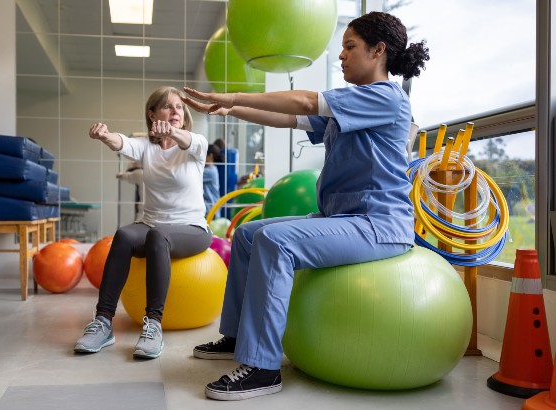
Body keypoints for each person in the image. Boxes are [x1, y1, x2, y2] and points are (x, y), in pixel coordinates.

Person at [181, 11, 429, 400]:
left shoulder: (387, 98)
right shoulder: (351, 104)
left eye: (350, 47)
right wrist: (231, 110)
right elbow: (292, 119)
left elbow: (303, 98)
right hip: (344, 218)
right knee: (248, 233)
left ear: (378, 51)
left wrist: (233, 95)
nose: (342, 56)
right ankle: (236, 337)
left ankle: (263, 367)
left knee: (276, 242)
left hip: (378, 225)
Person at [74, 86, 212, 360]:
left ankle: (154, 325)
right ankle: (103, 322)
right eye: (167, 107)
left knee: (158, 236)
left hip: (192, 229)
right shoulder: (148, 149)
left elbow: (185, 139)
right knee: (124, 235)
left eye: (179, 107)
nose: (176, 112)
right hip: (152, 225)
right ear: (152, 114)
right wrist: (105, 136)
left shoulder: (195, 144)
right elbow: (122, 142)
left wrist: (171, 132)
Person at [203, 144, 222, 219]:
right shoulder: (212, 169)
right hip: (210, 209)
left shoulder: (210, 171)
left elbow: (193, 175)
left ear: (210, 156)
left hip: (211, 210)